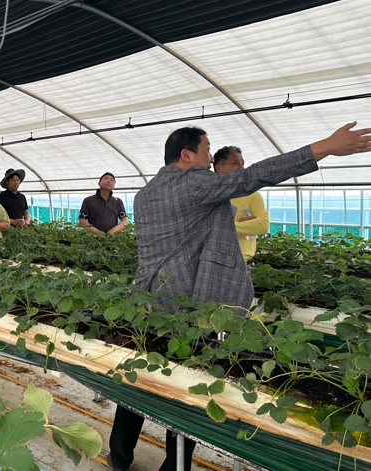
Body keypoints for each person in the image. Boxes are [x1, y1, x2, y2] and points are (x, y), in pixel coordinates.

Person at [106, 122, 371, 471]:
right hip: (188, 306)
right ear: (187, 155)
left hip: (146, 302)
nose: (210, 157)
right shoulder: (193, 182)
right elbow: (252, 177)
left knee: (140, 379)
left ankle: (119, 458)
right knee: (187, 388)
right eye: (206, 149)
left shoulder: (145, 194)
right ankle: (174, 466)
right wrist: (323, 147)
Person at [213, 146, 270, 261]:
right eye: (236, 163)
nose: (241, 168)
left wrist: (225, 227)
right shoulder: (210, 194)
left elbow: (263, 225)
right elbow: (206, 229)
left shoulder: (252, 195)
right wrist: (245, 226)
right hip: (216, 260)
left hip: (245, 259)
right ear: (219, 168)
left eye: (242, 164)